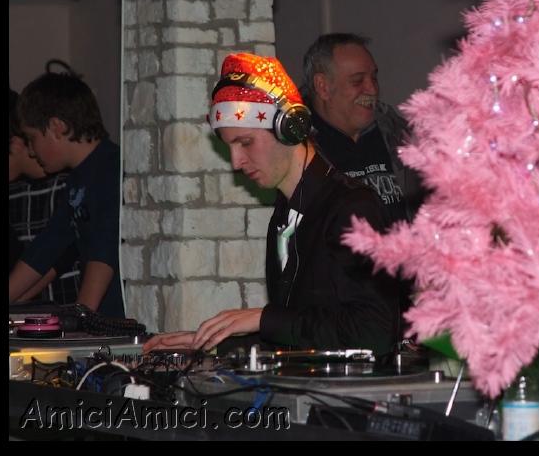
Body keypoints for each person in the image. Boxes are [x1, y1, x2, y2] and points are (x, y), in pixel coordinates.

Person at [143, 53, 401, 360]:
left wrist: (264, 318)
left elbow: (374, 332)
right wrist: (214, 346)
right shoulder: (284, 217)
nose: (236, 162)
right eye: (229, 147)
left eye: (245, 142)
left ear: (289, 127)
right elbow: (299, 338)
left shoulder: (353, 209)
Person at [9, 72, 125, 319]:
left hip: (117, 320)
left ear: (56, 127)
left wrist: (81, 316)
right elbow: (48, 245)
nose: (31, 151)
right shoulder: (77, 178)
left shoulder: (111, 167)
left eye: (32, 139)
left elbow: (106, 247)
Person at [300, 32, 428, 225]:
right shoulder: (297, 153)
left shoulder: (401, 137)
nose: (373, 89)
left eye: (374, 78)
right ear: (323, 86)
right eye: (358, 80)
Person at [9, 85, 82, 304]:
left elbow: (63, 251)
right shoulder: (14, 191)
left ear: (16, 143)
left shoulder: (70, 183)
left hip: (68, 309)